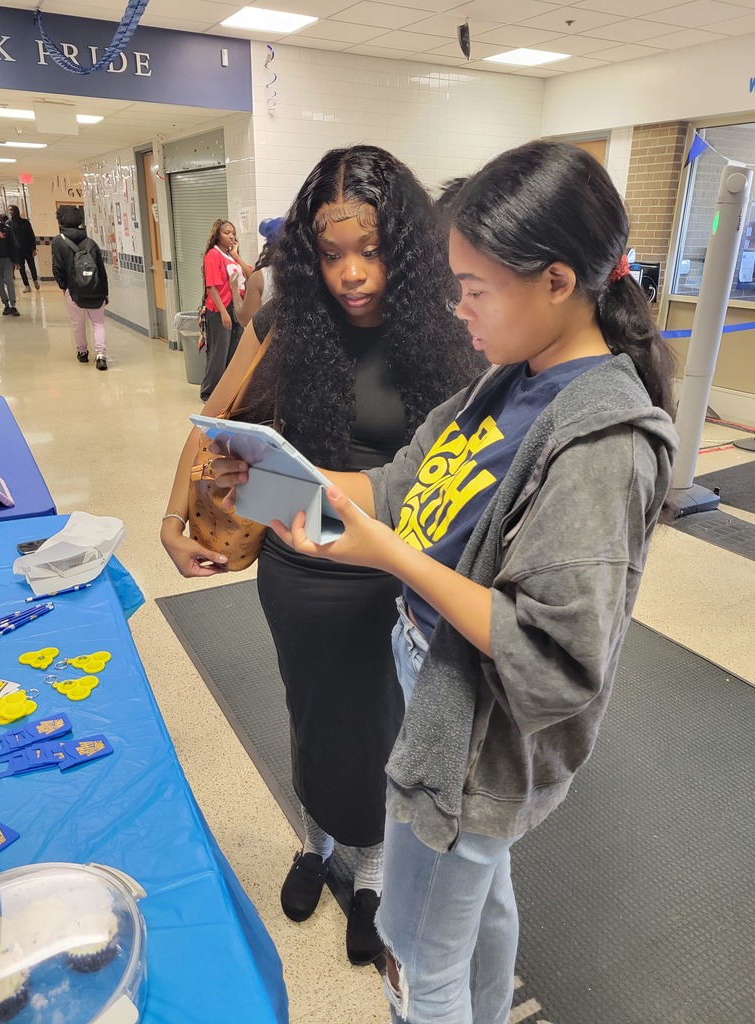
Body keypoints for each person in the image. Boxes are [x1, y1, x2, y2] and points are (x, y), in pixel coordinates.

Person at [211, 140, 678, 1021]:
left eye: (474, 290)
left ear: (556, 282)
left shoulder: (600, 442)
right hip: (436, 689)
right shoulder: (506, 384)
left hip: (473, 734)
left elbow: (550, 657)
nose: (457, 310)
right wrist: (269, 483)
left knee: (420, 961)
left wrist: (391, 556)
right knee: (482, 898)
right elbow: (398, 489)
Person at [161, 144, 477, 966]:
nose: (353, 275)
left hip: (393, 571)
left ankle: (370, 868)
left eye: (370, 251)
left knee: (381, 723)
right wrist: (172, 517)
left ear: (402, 247)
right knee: (308, 707)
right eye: (332, 255)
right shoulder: (286, 322)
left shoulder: (451, 330)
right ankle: (318, 844)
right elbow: (214, 420)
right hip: (298, 564)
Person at [52, 205, 109, 370]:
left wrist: (64, 287)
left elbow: (57, 268)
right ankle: (101, 356)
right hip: (96, 289)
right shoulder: (91, 243)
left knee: (78, 323)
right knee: (98, 323)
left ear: (60, 220)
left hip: (73, 289)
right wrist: (105, 292)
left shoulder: (58, 242)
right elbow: (101, 269)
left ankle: (82, 353)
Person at [199, 219, 251, 402]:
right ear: (217, 235)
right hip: (221, 308)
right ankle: (208, 393)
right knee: (219, 353)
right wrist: (223, 312)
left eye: (233, 233)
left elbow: (250, 274)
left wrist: (236, 255)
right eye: (226, 233)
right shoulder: (213, 256)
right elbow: (211, 287)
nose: (231, 236)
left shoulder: (231, 256)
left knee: (233, 352)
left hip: (236, 307)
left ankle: (226, 391)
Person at [236, 217, 283, 327]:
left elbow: (247, 321)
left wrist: (234, 289)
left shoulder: (261, 277)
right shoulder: (308, 273)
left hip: (269, 342)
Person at [0, 205, 20, 316]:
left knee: (9, 281)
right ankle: (5, 304)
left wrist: (15, 261)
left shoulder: (6, 228)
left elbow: (12, 245)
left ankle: (13, 304)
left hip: (7, 259)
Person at [8, 205, 40, 292]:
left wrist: (33, 248)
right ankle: (26, 285)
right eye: (9, 210)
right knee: (21, 268)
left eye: (12, 210)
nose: (10, 212)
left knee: (32, 266)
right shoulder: (8, 223)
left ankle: (35, 279)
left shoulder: (25, 222)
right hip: (17, 250)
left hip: (27, 248)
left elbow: (31, 235)